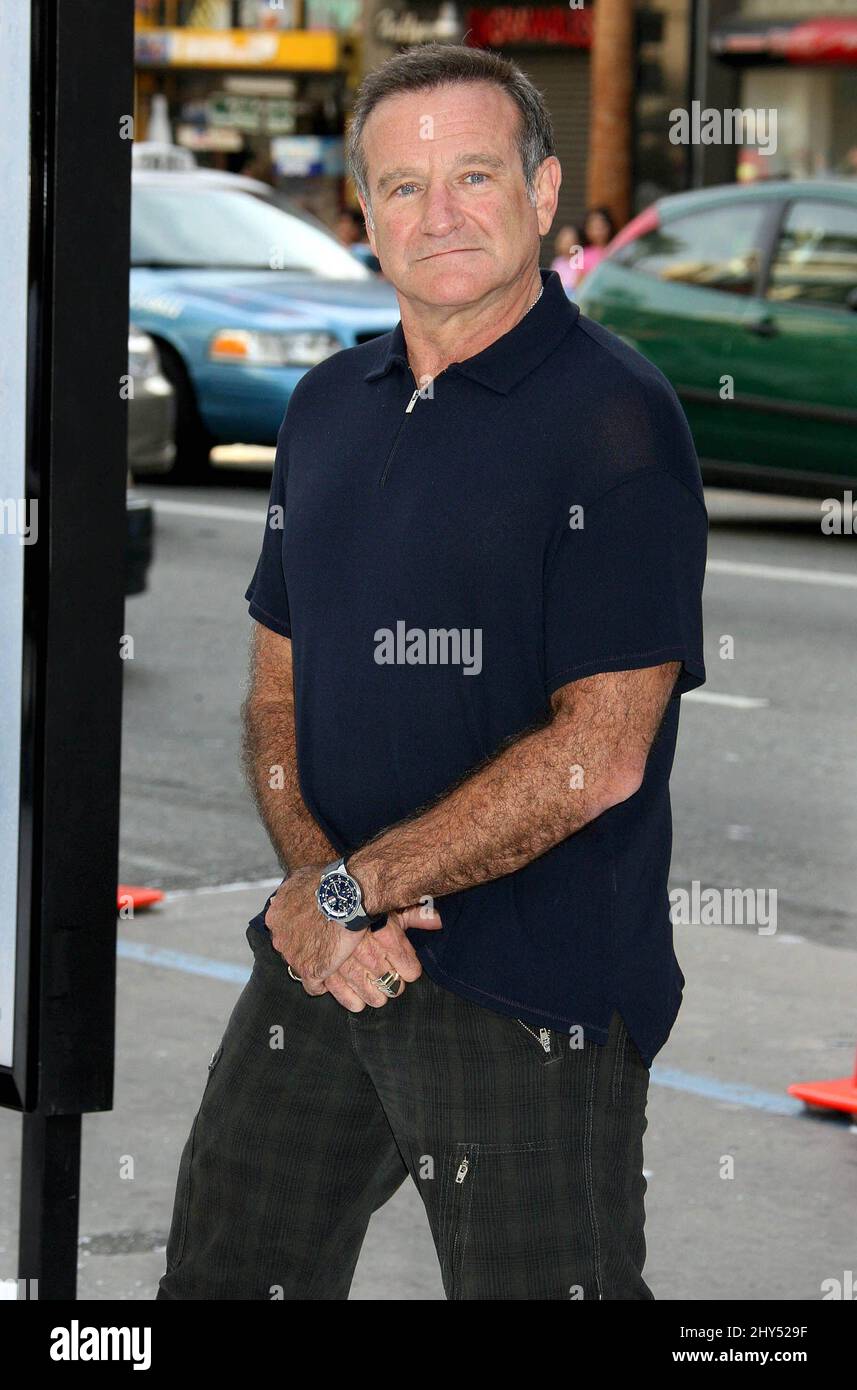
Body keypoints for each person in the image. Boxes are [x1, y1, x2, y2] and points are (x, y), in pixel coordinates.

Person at [157, 40, 707, 1302]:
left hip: (533, 988)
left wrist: (354, 889)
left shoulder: (613, 420)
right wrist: (318, 889)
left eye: (472, 174)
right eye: (402, 187)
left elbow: (598, 752)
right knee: (225, 1273)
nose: (438, 213)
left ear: (544, 190)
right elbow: (276, 694)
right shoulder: (325, 406)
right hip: (330, 951)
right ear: (362, 213)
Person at [549, 222, 583, 291]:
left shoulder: (580, 260)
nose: (566, 244)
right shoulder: (558, 261)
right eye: (564, 241)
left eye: (569, 241)